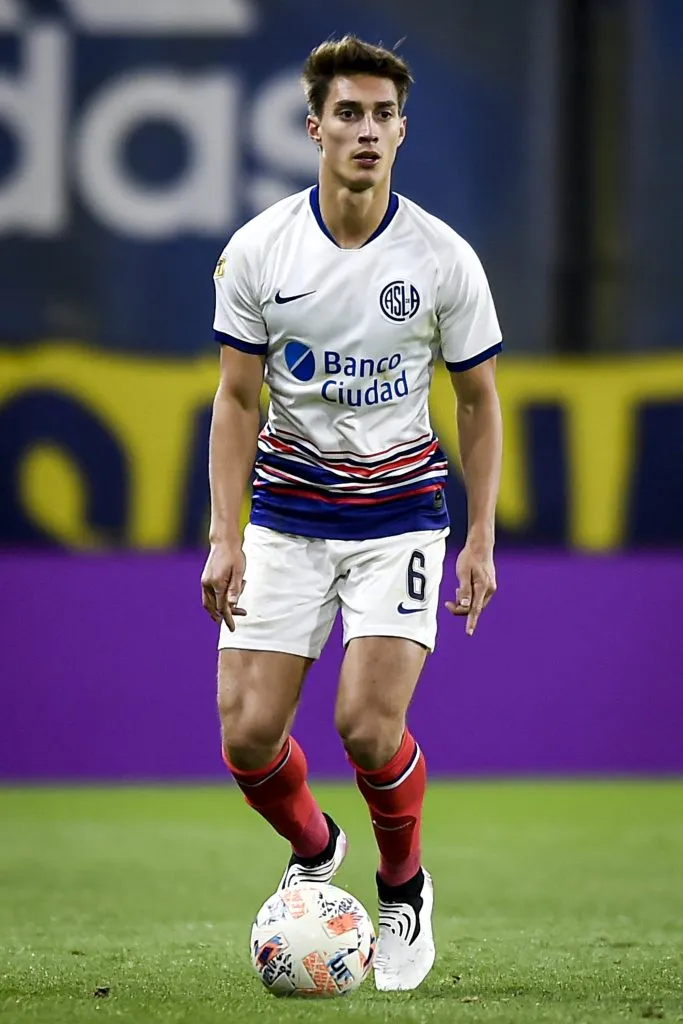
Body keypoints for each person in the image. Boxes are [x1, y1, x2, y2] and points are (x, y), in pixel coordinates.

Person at [201, 35, 503, 992]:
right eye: (348, 115)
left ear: (401, 132)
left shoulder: (444, 258)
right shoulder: (258, 250)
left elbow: (478, 403)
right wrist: (224, 535)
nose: (365, 131)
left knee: (366, 727)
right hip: (287, 517)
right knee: (246, 736)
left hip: (399, 519)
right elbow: (237, 401)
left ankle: (404, 887)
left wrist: (479, 538)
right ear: (314, 129)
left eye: (381, 117)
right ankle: (315, 843)